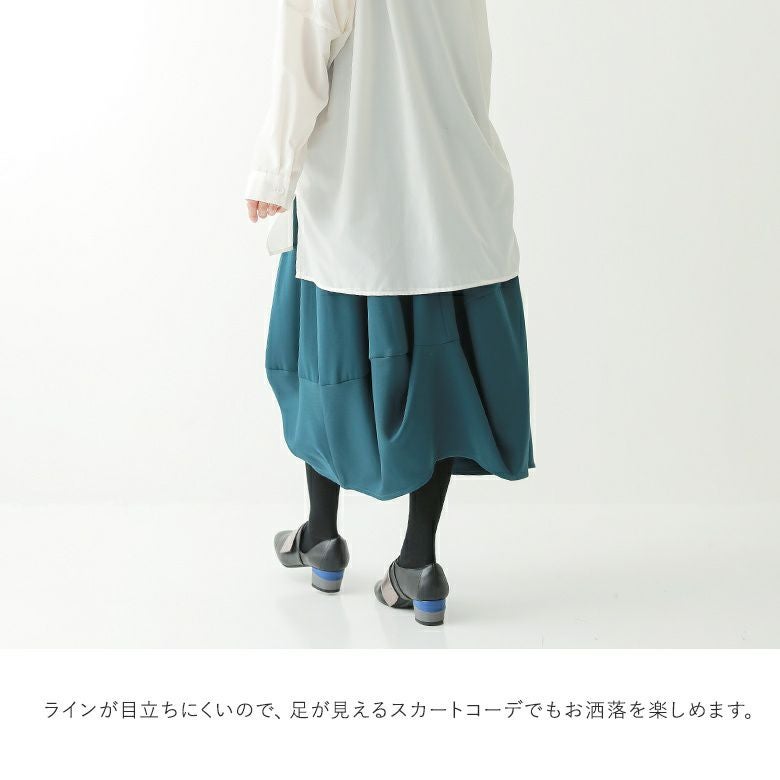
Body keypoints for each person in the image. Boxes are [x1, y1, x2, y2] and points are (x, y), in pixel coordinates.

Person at [245, 0, 533, 626]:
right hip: (452, 202)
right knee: (439, 388)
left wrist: (272, 172)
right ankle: (418, 564)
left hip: (359, 205)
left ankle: (322, 537)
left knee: (321, 371)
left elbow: (301, 67)